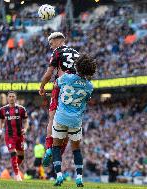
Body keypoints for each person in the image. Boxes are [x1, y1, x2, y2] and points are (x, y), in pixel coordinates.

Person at [51, 54, 97, 187]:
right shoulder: (89, 86)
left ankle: (59, 176)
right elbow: (86, 100)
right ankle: (79, 178)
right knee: (76, 149)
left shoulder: (67, 77)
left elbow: (56, 85)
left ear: (77, 66)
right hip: (76, 120)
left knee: (56, 147)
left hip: (61, 117)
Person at [39, 32, 80, 167]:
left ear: (58, 40)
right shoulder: (76, 53)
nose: (51, 47)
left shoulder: (57, 52)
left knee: (52, 117)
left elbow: (49, 73)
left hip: (61, 85)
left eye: (51, 43)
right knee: (69, 124)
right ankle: (58, 154)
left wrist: (42, 86)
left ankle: (49, 148)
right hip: (75, 89)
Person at [0, 91, 29, 181]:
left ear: (15, 98)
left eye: (13, 96)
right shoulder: (3, 110)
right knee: (13, 153)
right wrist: (0, 129)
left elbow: (26, 121)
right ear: (7, 98)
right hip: (9, 135)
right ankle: (16, 174)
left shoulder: (21, 109)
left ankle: (14, 168)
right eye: (10, 96)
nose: (11, 98)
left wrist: (25, 129)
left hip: (20, 135)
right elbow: (1, 121)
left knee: (21, 156)